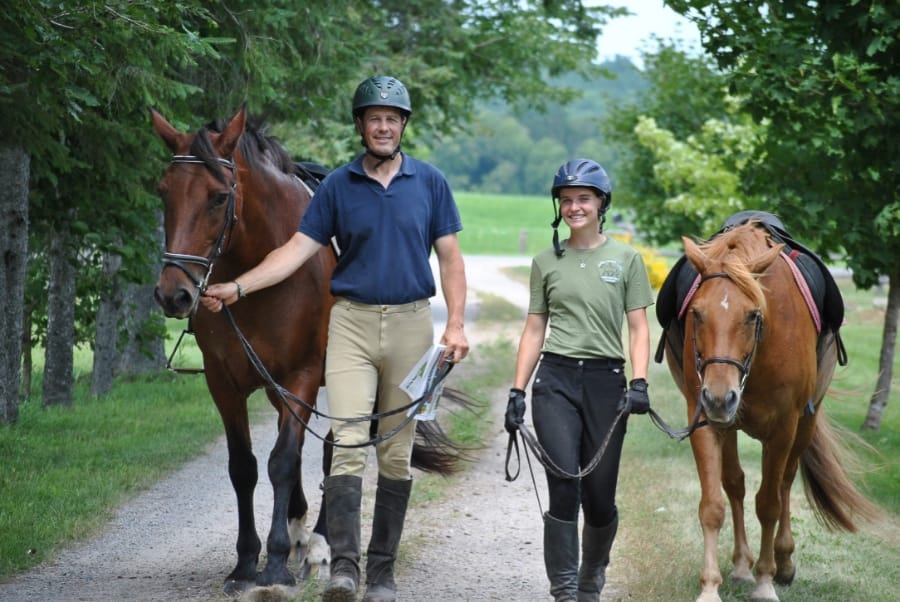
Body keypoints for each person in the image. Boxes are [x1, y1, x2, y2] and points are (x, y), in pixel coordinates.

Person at [202, 75, 469, 602]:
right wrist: (237, 285)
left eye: (393, 119)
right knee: (347, 444)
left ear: (404, 126)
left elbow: (451, 257)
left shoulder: (431, 182)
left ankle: (383, 574)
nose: (384, 126)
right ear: (361, 126)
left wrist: (456, 322)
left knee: (395, 452)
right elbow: (295, 251)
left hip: (413, 324)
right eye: (375, 118)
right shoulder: (337, 187)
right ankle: (344, 570)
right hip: (350, 323)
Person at [505, 159, 653, 602]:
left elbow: (640, 328)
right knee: (564, 482)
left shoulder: (627, 259)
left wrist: (639, 381)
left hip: (607, 382)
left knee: (601, 496)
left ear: (601, 203)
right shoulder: (545, 261)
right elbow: (535, 328)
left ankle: (592, 576)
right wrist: (517, 389)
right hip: (556, 378)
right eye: (566, 201)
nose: (574, 207)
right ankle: (566, 591)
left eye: (583, 199)